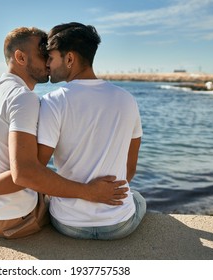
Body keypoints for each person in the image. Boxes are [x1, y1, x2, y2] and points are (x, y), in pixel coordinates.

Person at [0, 26, 128, 239]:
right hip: (13, 220)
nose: (48, 61)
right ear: (20, 57)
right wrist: (90, 192)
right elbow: (26, 173)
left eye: (50, 55)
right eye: (42, 53)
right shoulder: (23, 97)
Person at [37, 22, 146, 240]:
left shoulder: (53, 101)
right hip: (118, 225)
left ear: (69, 59)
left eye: (50, 57)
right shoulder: (127, 99)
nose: (47, 64)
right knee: (138, 198)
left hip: (68, 223)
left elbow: (37, 168)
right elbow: (129, 169)